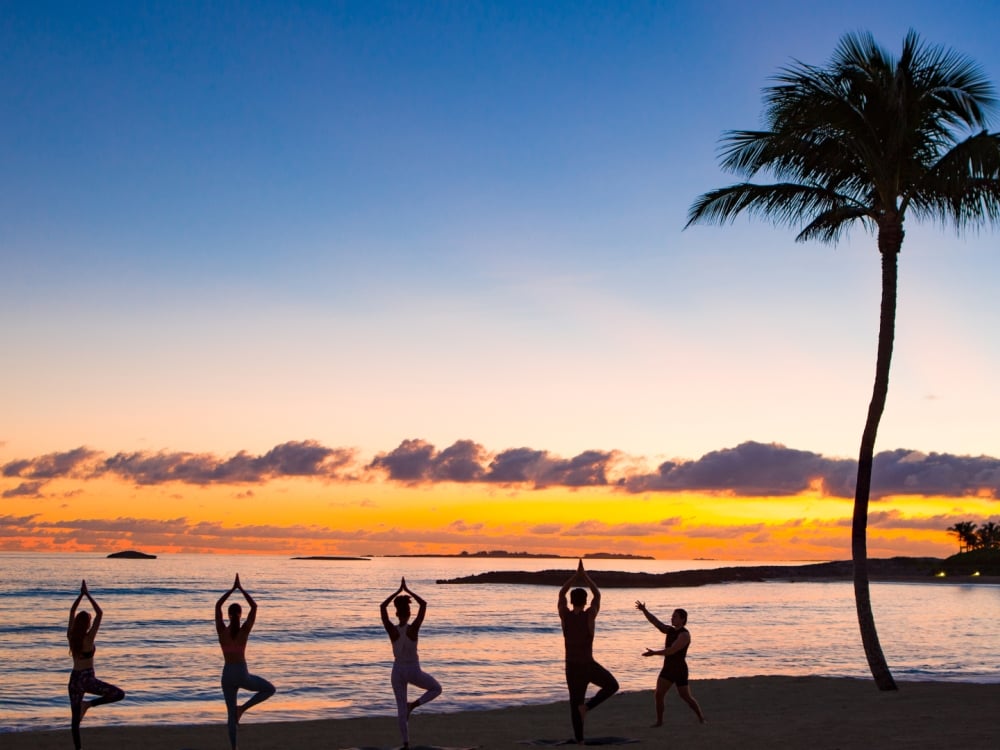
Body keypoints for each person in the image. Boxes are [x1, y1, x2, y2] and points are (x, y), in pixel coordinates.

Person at [558, 559, 619, 743]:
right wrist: (585, 577)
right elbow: (598, 595)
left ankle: (580, 741)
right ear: (585, 602)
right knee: (612, 686)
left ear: (571, 601)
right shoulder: (589, 615)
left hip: (571, 668)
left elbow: (561, 593)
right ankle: (588, 707)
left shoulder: (565, 615)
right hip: (587, 665)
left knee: (574, 703)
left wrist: (574, 577)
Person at [380, 576, 442, 749]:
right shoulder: (413, 629)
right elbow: (423, 605)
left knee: (400, 708)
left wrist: (397, 592)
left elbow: (382, 607)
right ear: (408, 613)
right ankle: (413, 705)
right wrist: (407, 591)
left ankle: (406, 744)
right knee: (437, 688)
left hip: (397, 670)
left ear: (397, 613)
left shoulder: (392, 630)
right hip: (413, 670)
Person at [216, 574, 275, 750]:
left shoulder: (221, 630)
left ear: (228, 615)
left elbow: (217, 605)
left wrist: (231, 590)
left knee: (229, 715)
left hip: (227, 674)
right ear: (240, 615)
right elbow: (254, 606)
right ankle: (242, 709)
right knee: (269, 689)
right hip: (241, 672)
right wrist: (241, 589)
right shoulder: (244, 631)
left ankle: (234, 748)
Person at [67, 579, 125, 750]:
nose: (91, 623)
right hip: (87, 679)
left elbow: (72, 611)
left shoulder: (71, 636)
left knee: (75, 719)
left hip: (74, 680)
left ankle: (78, 748)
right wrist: (87, 594)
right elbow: (100, 613)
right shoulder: (88, 638)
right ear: (86, 624)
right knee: (118, 694)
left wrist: (80, 596)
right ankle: (89, 704)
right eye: (89, 622)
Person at [635, 601, 705, 726]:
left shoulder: (684, 635)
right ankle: (659, 722)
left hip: (679, 669)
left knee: (686, 697)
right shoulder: (670, 630)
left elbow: (671, 650)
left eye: (675, 617)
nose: (672, 618)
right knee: (658, 695)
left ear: (682, 619)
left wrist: (654, 653)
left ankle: (701, 718)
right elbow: (656, 622)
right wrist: (644, 610)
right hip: (668, 668)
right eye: (672, 616)